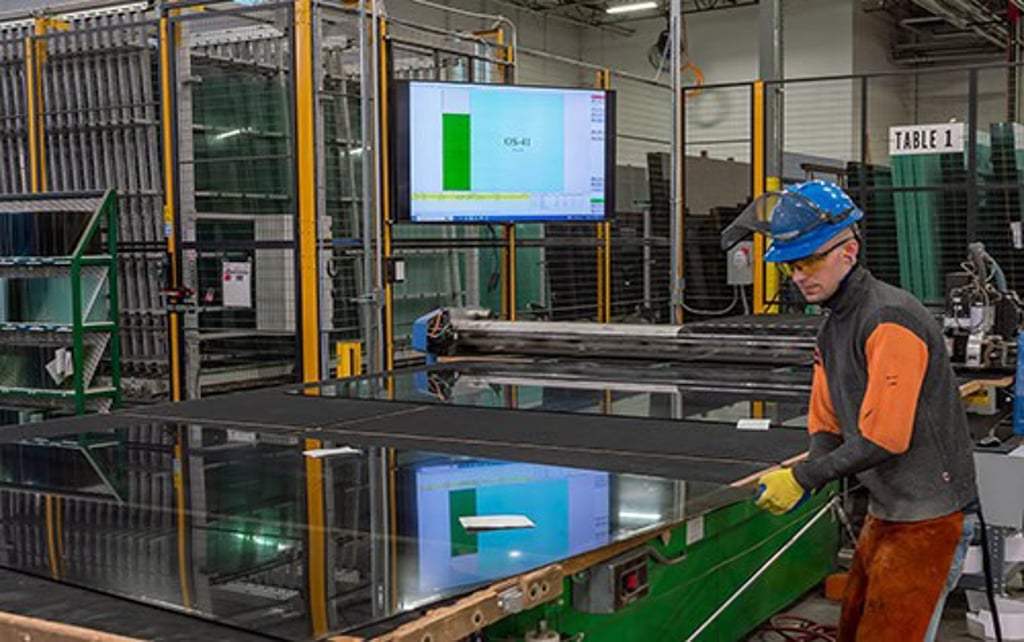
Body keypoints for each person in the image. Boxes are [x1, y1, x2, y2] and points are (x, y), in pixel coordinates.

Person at [722, 180, 979, 641]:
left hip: (930, 518)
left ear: (849, 250)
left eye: (809, 260)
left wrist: (807, 477)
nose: (800, 276)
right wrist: (812, 469)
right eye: (791, 265)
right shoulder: (832, 327)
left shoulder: (888, 319)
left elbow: (886, 438)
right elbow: (828, 423)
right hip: (888, 510)